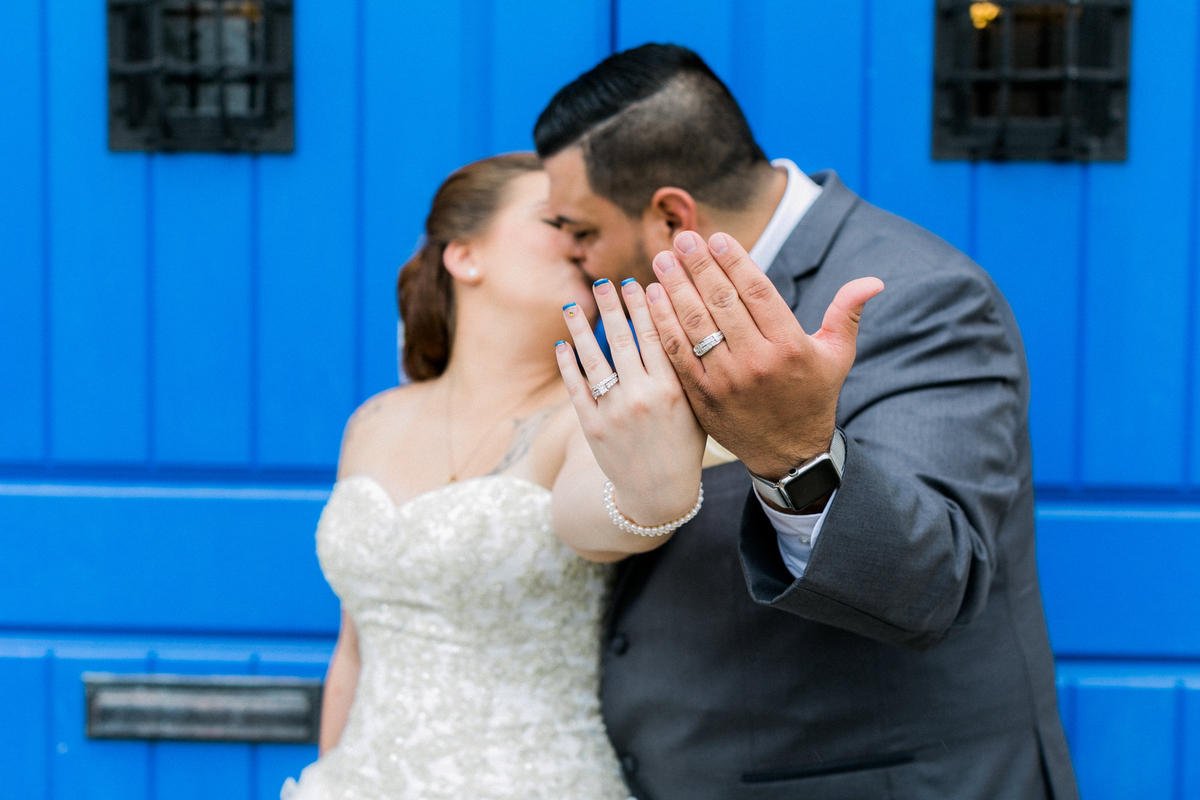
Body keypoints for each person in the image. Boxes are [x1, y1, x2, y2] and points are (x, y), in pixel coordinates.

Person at [537, 44, 1080, 799]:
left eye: (582, 231)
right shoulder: (644, 309)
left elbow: (936, 583)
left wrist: (792, 454)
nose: (571, 255)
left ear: (670, 216)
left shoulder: (917, 293)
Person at [281, 153, 711, 799]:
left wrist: (650, 496)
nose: (581, 239)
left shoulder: (594, 419)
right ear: (464, 255)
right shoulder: (371, 422)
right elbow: (353, 650)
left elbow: (616, 515)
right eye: (556, 220)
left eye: (588, 227)